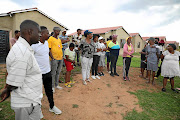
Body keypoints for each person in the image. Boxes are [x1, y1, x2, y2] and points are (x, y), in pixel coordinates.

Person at [0, 20, 43, 120]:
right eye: (39, 32)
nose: (40, 35)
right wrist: (7, 90)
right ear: (30, 32)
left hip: (31, 99)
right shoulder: (21, 53)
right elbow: (15, 82)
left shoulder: (24, 49)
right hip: (26, 102)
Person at [31, 26, 62, 115]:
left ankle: (52, 107)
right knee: (38, 93)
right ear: (41, 34)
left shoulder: (46, 43)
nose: (49, 35)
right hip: (37, 74)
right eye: (47, 33)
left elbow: (48, 51)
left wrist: (52, 57)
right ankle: (38, 110)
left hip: (47, 72)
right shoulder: (34, 46)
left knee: (49, 91)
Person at [48, 27, 63, 92]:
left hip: (60, 58)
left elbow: (60, 48)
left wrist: (62, 56)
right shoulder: (50, 39)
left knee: (58, 72)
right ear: (54, 31)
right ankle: (52, 86)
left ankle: (57, 84)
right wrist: (52, 58)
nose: (58, 32)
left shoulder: (59, 40)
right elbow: (49, 49)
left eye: (59, 31)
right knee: (53, 73)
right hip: (54, 59)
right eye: (57, 31)